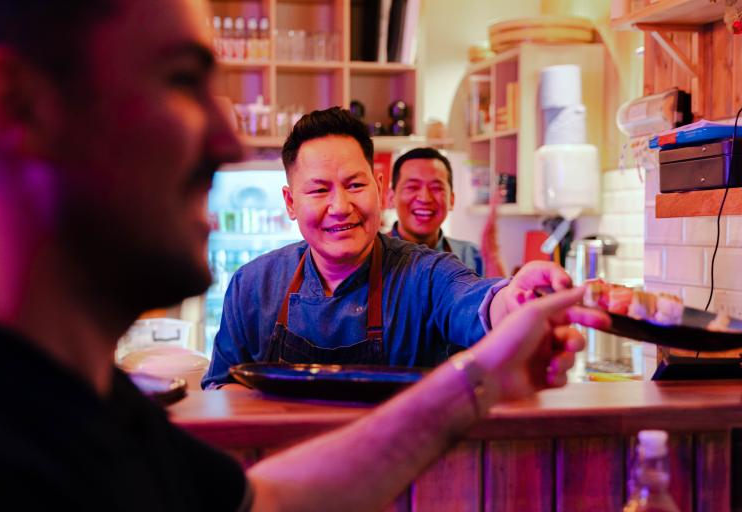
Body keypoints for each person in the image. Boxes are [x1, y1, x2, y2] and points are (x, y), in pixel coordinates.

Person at [0, 0, 609, 509]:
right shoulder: (7, 438)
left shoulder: (106, 415)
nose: (226, 141)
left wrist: (496, 347)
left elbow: (268, 500)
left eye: (355, 184)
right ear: (18, 105)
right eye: (179, 80)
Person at [202, 107, 573, 388]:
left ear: (379, 187)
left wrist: (517, 299)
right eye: (318, 190)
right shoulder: (253, 285)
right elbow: (219, 391)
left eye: (355, 185)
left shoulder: (426, 275)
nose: (340, 206)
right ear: (290, 202)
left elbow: (480, 301)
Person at [388, 147, 483, 275]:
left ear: (452, 200)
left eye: (436, 188)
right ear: (391, 197)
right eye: (412, 187)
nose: (425, 198)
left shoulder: (473, 257)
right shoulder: (368, 256)